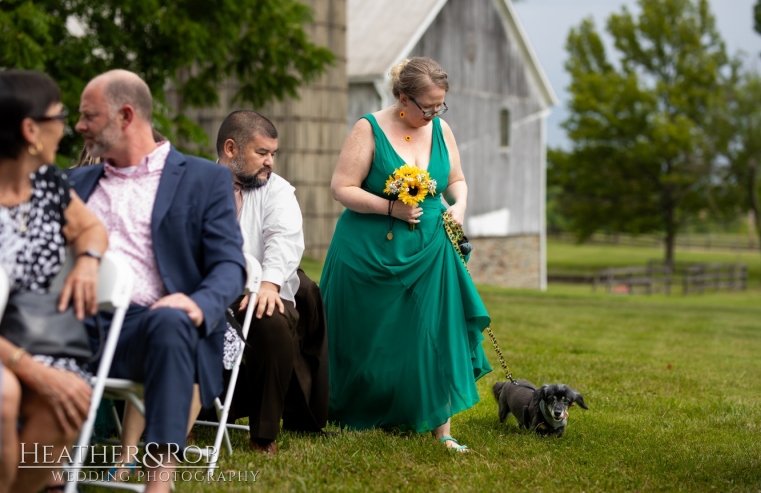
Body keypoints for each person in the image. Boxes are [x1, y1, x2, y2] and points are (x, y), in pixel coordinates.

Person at [68, 70, 245, 493]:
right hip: (74, 325)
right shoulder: (72, 183)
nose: (79, 126)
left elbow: (229, 266)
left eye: (89, 116)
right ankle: (52, 476)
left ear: (126, 116)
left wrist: (198, 303)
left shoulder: (205, 180)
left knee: (171, 323)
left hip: (150, 329)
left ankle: (158, 483)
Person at [320, 57, 491, 451]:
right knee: (366, 336)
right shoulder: (368, 129)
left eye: (439, 106)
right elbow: (341, 187)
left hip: (432, 245)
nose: (433, 114)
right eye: (426, 107)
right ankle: (348, 409)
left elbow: (457, 180)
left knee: (435, 330)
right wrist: (390, 208)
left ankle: (441, 430)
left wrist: (459, 206)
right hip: (369, 248)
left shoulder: (441, 129)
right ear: (402, 97)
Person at [0, 70, 108, 492]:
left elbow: (91, 229)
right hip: (12, 347)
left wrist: (87, 261)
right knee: (4, 395)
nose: (67, 128)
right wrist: (31, 370)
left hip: (34, 334)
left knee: (68, 399)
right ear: (30, 130)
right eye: (59, 117)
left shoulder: (47, 184)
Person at [216, 110, 329, 455]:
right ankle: (193, 415)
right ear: (231, 149)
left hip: (260, 286)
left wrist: (268, 285)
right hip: (207, 288)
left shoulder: (278, 191)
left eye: (272, 154)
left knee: (270, 322)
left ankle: (263, 435)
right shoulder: (197, 182)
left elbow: (283, 239)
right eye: (261, 153)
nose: (270, 163)